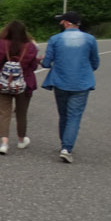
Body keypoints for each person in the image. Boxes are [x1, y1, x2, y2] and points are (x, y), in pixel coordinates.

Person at [40, 11, 100, 163]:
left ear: (67, 23)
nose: (60, 23)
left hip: (60, 81)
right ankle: (67, 147)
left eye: (62, 21)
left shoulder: (55, 39)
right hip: (81, 83)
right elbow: (95, 62)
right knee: (75, 116)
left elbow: (46, 62)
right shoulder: (90, 39)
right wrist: (84, 70)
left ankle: (64, 144)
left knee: (64, 114)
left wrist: (44, 62)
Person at [0, 20, 39, 155]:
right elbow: (33, 66)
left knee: (4, 113)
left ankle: (4, 143)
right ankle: (21, 139)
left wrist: (6, 69)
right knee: (21, 113)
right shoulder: (30, 46)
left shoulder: (1, 44)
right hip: (25, 83)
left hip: (4, 82)